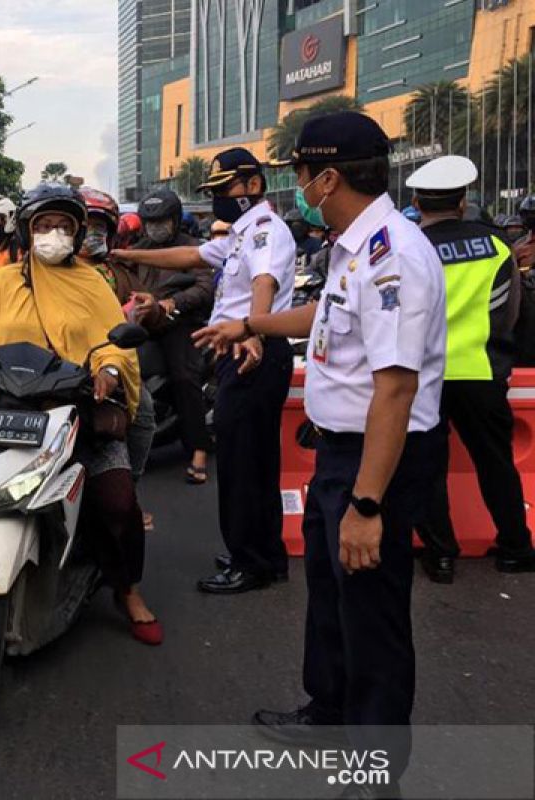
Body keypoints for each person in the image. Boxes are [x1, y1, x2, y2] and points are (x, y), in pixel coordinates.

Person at [196, 111, 446, 792]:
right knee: (332, 600)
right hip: (341, 452)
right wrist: (247, 322)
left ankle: (375, 770)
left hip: (376, 461)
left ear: (329, 176)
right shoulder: (353, 245)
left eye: (302, 174)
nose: (298, 187)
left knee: (373, 619)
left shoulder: (394, 252)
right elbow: (326, 315)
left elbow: (395, 389)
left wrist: (367, 503)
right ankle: (329, 711)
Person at [0, 183, 161, 645]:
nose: (54, 233)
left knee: (116, 500)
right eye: (44, 225)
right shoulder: (3, 280)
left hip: (73, 407)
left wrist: (108, 369)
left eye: (63, 226)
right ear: (27, 232)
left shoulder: (92, 283)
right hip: (5, 407)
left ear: (76, 234)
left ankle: (125, 589)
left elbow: (113, 341)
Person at [113, 147, 296, 595]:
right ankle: (264, 554)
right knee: (255, 462)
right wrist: (124, 254)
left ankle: (248, 561)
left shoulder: (265, 232)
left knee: (240, 466)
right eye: (212, 191)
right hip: (244, 350)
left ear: (253, 185)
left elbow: (264, 282)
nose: (217, 198)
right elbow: (189, 258)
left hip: (251, 352)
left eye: (223, 188)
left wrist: (252, 330)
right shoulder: (239, 233)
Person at [405, 156, 535, 583]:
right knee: (495, 462)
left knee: (429, 465)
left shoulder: (409, 247)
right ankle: (516, 547)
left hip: (424, 378)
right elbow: (511, 312)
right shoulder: (497, 246)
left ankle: (441, 555)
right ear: (462, 202)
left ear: (417, 202)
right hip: (481, 372)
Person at [76, 186, 157, 533]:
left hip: (109, 362)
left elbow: (142, 311)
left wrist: (148, 308)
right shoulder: (44, 271)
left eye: (98, 226)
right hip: (54, 364)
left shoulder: (116, 271)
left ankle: (130, 491)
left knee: (143, 415)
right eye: (84, 225)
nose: (90, 234)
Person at [123, 188, 214, 484]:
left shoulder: (193, 249)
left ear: (174, 220)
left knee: (185, 377)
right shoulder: (140, 249)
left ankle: (198, 450)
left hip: (180, 323)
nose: (155, 227)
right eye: (150, 221)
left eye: (161, 221)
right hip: (143, 324)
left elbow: (203, 287)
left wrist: (172, 303)